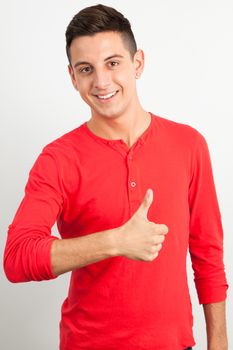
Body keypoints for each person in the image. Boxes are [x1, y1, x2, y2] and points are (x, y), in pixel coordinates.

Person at [3, 4, 228, 350]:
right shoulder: (58, 159)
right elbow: (17, 259)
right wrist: (115, 242)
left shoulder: (189, 145)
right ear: (72, 77)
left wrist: (218, 342)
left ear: (137, 63)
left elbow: (207, 253)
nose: (101, 81)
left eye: (113, 63)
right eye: (86, 69)